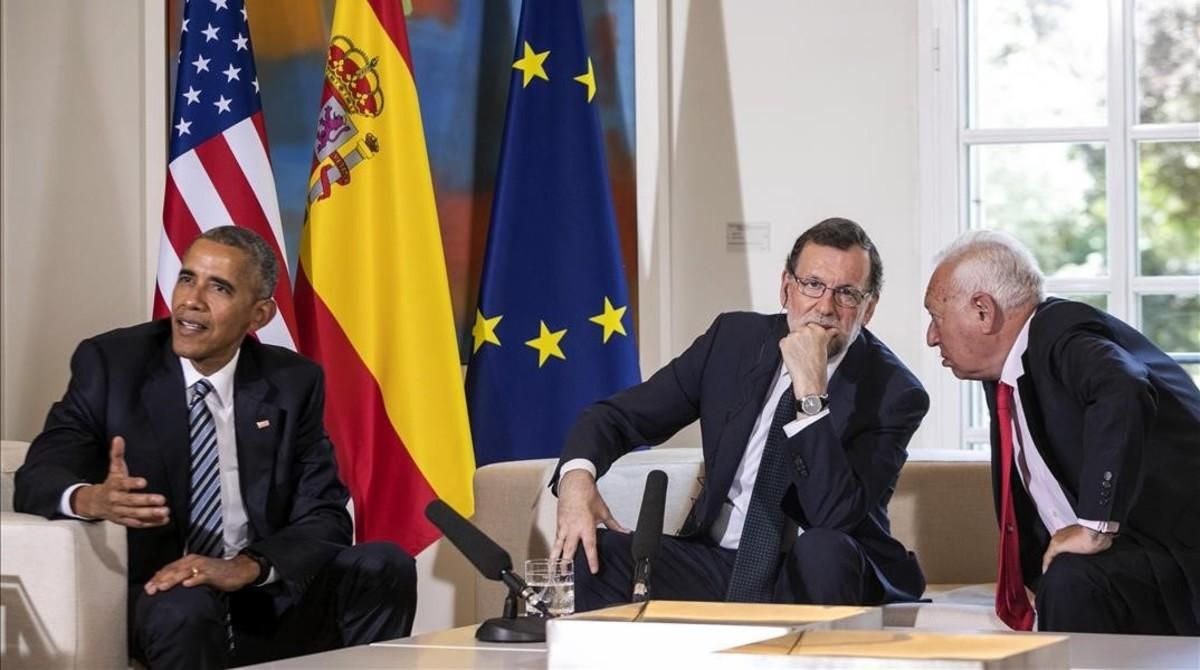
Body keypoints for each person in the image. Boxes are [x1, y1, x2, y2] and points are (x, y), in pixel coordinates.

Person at [14, 227, 417, 668]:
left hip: (253, 589)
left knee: (383, 565)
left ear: (258, 315)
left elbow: (325, 518)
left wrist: (247, 567)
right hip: (160, 595)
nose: (191, 300)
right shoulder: (112, 364)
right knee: (188, 606)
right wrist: (92, 498)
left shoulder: (291, 382)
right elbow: (36, 479)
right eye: (187, 279)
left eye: (219, 288)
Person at [551, 217, 929, 611]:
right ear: (787, 287)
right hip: (718, 562)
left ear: (868, 309)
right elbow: (617, 416)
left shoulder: (895, 392)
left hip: (816, 570)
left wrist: (810, 392)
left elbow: (833, 514)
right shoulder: (732, 342)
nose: (825, 306)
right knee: (597, 556)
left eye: (847, 294)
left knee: (823, 549)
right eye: (813, 285)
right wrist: (576, 481)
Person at [924, 230, 1200, 635]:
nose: (931, 337)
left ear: (984, 311)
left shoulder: (1060, 333)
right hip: (1137, 560)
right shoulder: (1006, 372)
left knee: (1073, 579)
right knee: (1067, 579)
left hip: (1179, 557)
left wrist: (1094, 526)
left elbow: (1123, 387)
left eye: (936, 316)